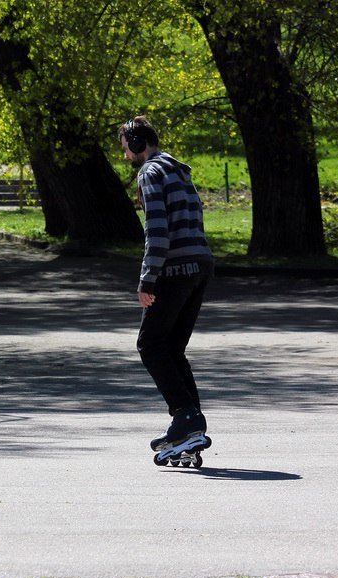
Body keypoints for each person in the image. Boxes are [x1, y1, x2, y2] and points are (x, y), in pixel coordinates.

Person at [118, 116, 215, 454]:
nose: (126, 157)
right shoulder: (179, 171)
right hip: (200, 265)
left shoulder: (150, 173)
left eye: (126, 149)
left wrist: (148, 279)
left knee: (150, 344)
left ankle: (185, 416)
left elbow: (157, 231)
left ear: (136, 143)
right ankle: (192, 423)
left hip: (174, 269)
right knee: (172, 349)